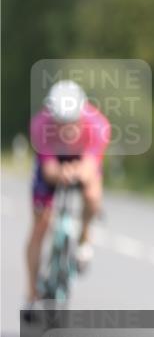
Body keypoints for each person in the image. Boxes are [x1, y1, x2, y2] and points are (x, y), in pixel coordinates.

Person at [25, 80, 110, 308]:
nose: (66, 129)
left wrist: (76, 172)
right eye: (60, 123)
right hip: (53, 160)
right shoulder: (41, 125)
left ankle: (83, 237)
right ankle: (32, 291)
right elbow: (49, 170)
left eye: (72, 122)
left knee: (92, 196)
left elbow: (90, 168)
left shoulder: (98, 125)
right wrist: (61, 173)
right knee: (40, 225)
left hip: (82, 159)